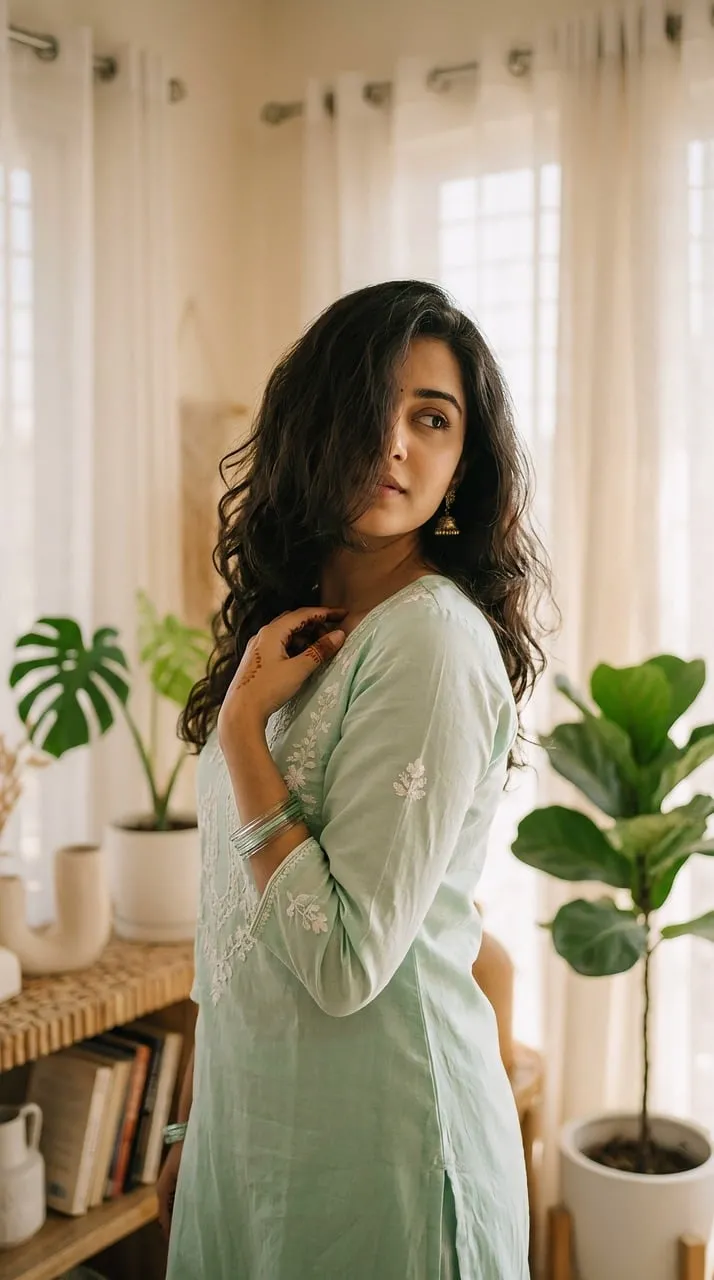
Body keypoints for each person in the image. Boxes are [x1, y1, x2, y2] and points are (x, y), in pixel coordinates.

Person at [160, 279, 550, 1279]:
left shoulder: (428, 640)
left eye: (432, 418)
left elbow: (343, 963)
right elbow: (231, 912)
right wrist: (198, 1123)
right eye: (374, 405)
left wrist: (245, 729)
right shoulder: (294, 630)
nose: (396, 443)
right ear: (313, 421)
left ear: (464, 467)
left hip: (385, 1157)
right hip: (260, 1140)